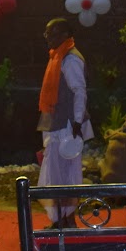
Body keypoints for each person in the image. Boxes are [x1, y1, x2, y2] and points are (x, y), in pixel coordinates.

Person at [36, 17, 93, 228]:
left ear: (64, 35)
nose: (47, 37)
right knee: (58, 174)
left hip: (67, 127)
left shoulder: (70, 59)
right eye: (46, 33)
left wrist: (77, 121)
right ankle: (63, 220)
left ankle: (65, 221)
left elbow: (79, 91)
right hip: (59, 124)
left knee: (62, 175)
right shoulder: (59, 56)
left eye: (52, 33)